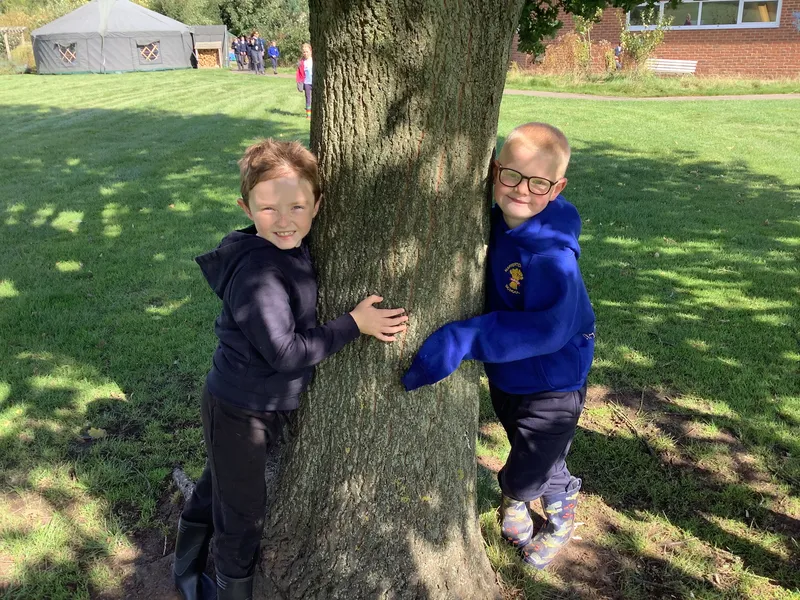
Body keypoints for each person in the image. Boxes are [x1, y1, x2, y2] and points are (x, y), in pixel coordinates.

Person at [172, 139, 408, 600]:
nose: (284, 221)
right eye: (267, 209)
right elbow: (283, 351)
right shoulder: (256, 275)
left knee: (220, 482)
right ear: (246, 207)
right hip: (241, 406)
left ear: (318, 205)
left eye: (297, 206)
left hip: (257, 403)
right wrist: (355, 324)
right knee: (243, 510)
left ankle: (187, 562)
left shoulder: (288, 244)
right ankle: (228, 588)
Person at [402, 123, 595, 571]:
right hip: (510, 374)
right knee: (528, 442)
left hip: (553, 381)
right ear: (494, 171)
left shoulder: (551, 256)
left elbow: (549, 328)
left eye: (538, 183)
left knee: (532, 458)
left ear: (557, 187)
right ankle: (545, 484)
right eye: (511, 175)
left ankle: (545, 504)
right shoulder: (498, 225)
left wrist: (463, 337)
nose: (522, 190)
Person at [301, 43, 313, 119]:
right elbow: (300, 73)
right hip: (307, 82)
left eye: (307, 51)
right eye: (304, 52)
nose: (305, 53)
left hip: (314, 81)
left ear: (310, 51)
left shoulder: (313, 60)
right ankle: (308, 114)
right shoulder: (302, 61)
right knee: (308, 98)